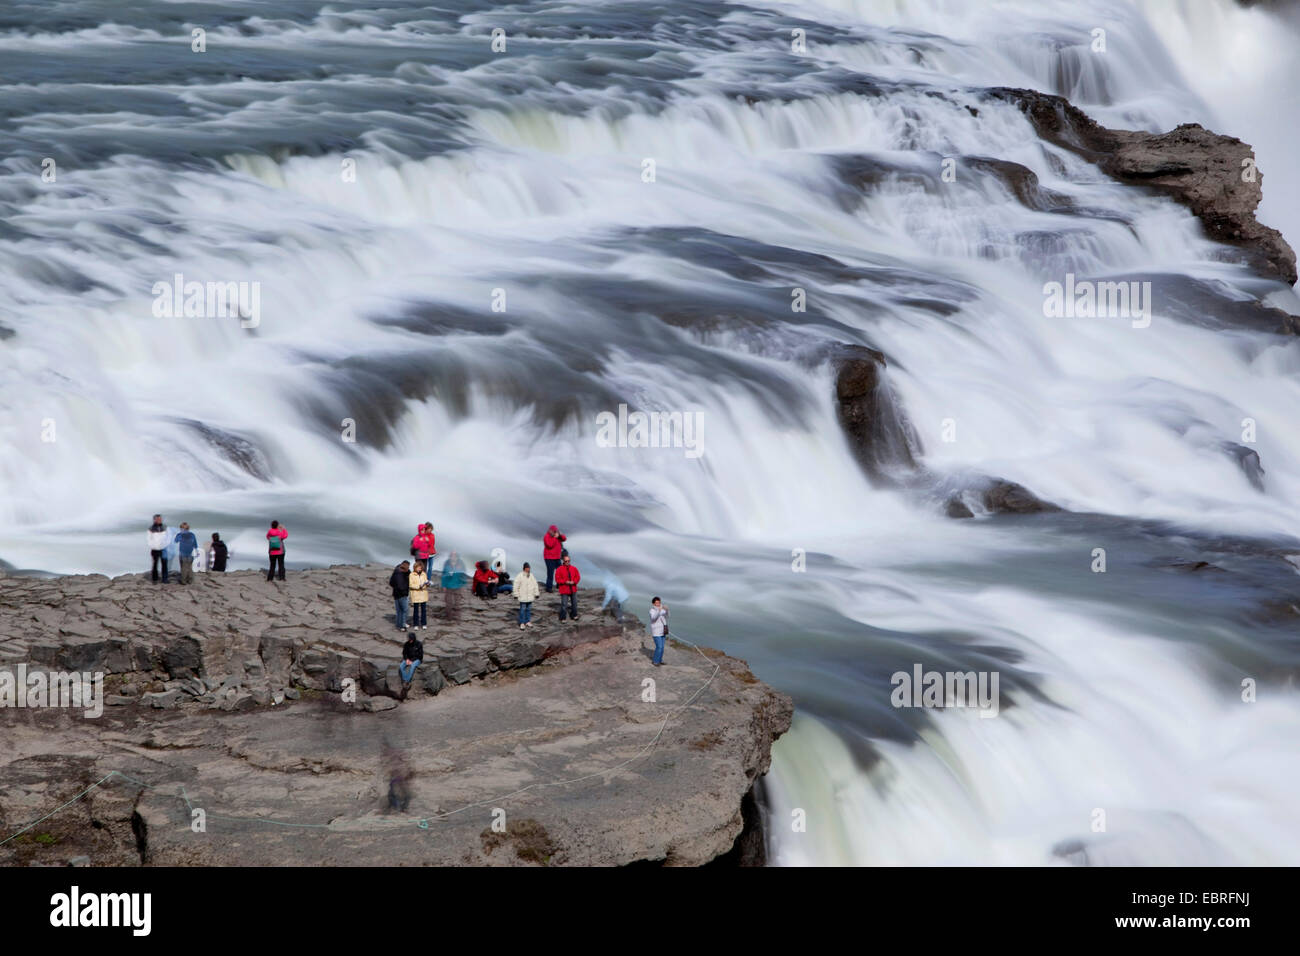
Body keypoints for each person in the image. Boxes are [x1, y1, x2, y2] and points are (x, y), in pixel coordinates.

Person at [555, 551, 581, 622]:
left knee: (574, 604)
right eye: (566, 561)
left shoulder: (574, 568)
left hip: (573, 589)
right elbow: (557, 579)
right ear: (563, 561)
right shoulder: (559, 569)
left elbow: (578, 577)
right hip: (564, 590)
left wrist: (574, 582)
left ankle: (574, 615)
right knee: (564, 605)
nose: (567, 562)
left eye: (568, 561)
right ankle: (563, 618)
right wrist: (565, 582)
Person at [441, 552, 468, 622]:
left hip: (458, 586)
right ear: (450, 557)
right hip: (448, 586)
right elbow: (443, 576)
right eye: (452, 556)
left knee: (458, 603)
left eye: (455, 556)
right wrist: (443, 585)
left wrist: (463, 584)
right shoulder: (446, 565)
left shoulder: (461, 564)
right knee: (448, 603)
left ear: (457, 557)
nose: (453, 557)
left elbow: (464, 575)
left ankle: (458, 618)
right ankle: (448, 618)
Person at [514, 562, 540, 630]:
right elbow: (516, 585)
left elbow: (535, 584)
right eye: (527, 568)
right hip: (523, 597)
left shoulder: (531, 575)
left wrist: (536, 593)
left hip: (530, 596)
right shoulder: (520, 575)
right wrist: (516, 594)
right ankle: (522, 622)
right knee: (522, 610)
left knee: (528, 609)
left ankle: (527, 621)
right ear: (524, 568)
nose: (528, 569)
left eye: (529, 568)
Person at [398, 631, 423, 699]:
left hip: (417, 659)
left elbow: (420, 655)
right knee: (401, 666)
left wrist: (412, 661)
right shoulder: (406, 644)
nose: (410, 640)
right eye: (409, 639)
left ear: (414, 638)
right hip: (408, 659)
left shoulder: (419, 644)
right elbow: (404, 653)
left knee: (412, 667)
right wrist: (406, 659)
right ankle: (405, 679)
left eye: (411, 639)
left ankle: (407, 681)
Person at [542, 524, 566, 592]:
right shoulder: (546, 536)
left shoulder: (558, 535)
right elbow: (550, 545)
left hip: (557, 557)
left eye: (555, 531)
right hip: (549, 558)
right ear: (549, 530)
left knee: (560, 572)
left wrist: (559, 535)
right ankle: (549, 587)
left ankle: (559, 584)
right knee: (550, 573)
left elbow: (564, 539)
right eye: (553, 531)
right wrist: (555, 538)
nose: (554, 532)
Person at [389, 559, 411, 630]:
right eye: (407, 568)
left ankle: (399, 624)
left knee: (399, 611)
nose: (408, 569)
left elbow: (391, 583)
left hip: (395, 594)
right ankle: (402, 625)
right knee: (404, 610)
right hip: (402, 595)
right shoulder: (400, 575)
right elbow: (401, 586)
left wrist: (408, 572)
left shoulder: (396, 570)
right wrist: (405, 592)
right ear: (404, 569)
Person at [147, 515, 169, 584]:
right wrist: (153, 546)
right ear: (154, 520)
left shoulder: (165, 527)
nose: (160, 520)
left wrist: (165, 545)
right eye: (158, 519)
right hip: (155, 549)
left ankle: (165, 579)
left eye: (160, 519)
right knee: (155, 564)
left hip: (163, 548)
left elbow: (168, 537)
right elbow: (148, 539)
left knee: (164, 564)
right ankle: (155, 579)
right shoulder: (151, 529)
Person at [409, 560, 430, 629]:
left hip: (423, 594)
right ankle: (416, 624)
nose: (419, 569)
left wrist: (427, 584)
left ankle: (424, 624)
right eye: (418, 568)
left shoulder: (424, 574)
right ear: (415, 568)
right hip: (416, 594)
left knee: (423, 610)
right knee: (416, 610)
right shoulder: (411, 575)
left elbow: (426, 582)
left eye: (420, 568)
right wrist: (419, 586)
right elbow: (411, 585)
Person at [649, 596, 669, 667]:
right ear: (653, 603)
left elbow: (667, 616)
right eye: (656, 603)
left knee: (662, 647)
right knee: (659, 647)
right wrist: (659, 610)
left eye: (659, 602)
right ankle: (655, 661)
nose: (658, 604)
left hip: (663, 631)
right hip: (656, 632)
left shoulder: (662, 610)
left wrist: (666, 610)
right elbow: (653, 618)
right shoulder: (652, 610)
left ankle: (660, 660)